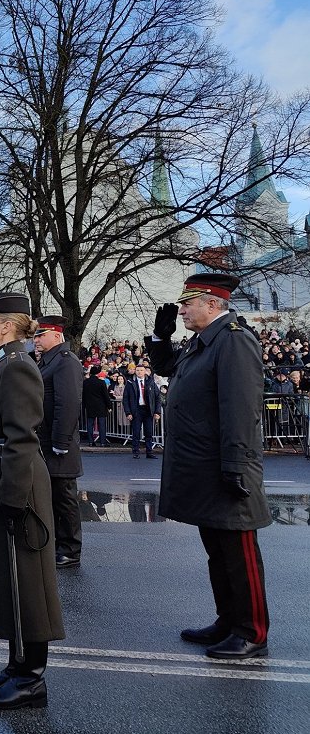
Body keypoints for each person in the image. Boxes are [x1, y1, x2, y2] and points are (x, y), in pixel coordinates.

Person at [145, 273, 271, 660]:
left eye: (188, 303)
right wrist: (159, 340)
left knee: (238, 552)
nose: (181, 310)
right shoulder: (205, 341)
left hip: (225, 464)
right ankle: (227, 620)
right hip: (204, 464)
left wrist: (235, 463)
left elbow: (240, 407)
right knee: (218, 550)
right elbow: (170, 369)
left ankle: (252, 632)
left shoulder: (233, 340)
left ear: (213, 304)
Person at [0, 292, 65, 710]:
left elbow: (21, 437)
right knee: (6, 575)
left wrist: (12, 496)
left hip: (14, 480)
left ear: (7, 325)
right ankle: (16, 661)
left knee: (26, 579)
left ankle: (31, 678)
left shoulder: (17, 366)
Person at [32, 316, 85, 569]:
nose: (36, 339)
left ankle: (70, 549)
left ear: (56, 336)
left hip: (57, 443)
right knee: (52, 497)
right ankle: (57, 545)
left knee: (64, 498)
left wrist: (61, 441)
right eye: (35, 335)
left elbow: (68, 403)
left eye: (41, 335)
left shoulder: (65, 362)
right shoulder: (48, 363)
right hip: (45, 441)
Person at [122, 365, 161, 459]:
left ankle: (149, 452)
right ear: (135, 371)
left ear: (145, 372)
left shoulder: (151, 382)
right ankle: (136, 451)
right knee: (136, 432)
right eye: (138, 370)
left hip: (148, 410)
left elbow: (157, 397)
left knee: (149, 432)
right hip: (136, 411)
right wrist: (128, 413)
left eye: (141, 370)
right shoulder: (130, 383)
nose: (139, 372)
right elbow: (125, 399)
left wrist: (157, 412)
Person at [83, 365, 111, 446]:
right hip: (100, 405)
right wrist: (109, 406)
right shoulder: (101, 382)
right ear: (98, 373)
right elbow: (105, 395)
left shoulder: (85, 382)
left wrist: (84, 405)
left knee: (90, 424)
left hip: (89, 405)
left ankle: (91, 442)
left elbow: (83, 395)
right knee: (101, 424)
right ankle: (103, 442)